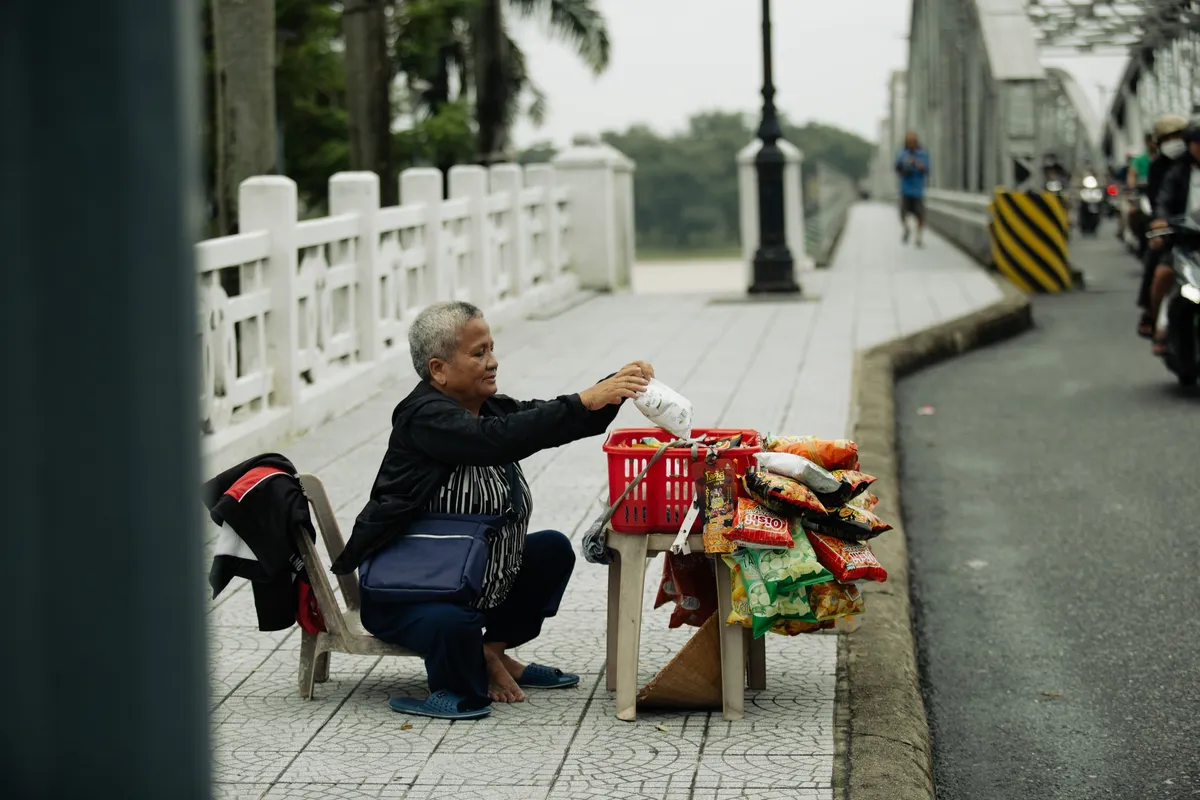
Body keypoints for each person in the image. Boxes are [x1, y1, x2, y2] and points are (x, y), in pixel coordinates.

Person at [332, 300, 653, 720]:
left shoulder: (490, 408)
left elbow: (546, 420)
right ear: (438, 370)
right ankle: (460, 685)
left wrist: (613, 390)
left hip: (474, 581)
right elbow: (493, 440)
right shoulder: (424, 417)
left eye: (491, 349)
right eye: (478, 353)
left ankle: (490, 650)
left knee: (552, 550)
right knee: (454, 625)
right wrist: (583, 399)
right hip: (412, 591)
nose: (493, 362)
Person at [1146, 118, 1200, 354]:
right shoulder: (1177, 173)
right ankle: (1158, 323)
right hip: (1185, 241)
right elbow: (1163, 200)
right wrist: (1160, 221)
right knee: (1163, 273)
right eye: (1197, 142)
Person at [1137, 114, 1188, 338]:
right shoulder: (1159, 168)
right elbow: (1160, 199)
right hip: (1173, 228)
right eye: (1169, 137)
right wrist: (1160, 221)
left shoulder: (1190, 165)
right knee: (1156, 261)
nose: (1175, 141)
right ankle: (1150, 312)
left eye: (1179, 135)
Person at [895, 131, 930, 246]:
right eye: (909, 142)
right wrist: (904, 168)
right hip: (905, 189)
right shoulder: (902, 154)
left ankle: (919, 237)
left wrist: (915, 163)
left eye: (913, 142)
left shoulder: (923, 154)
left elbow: (926, 170)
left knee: (920, 214)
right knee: (902, 213)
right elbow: (897, 168)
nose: (911, 145)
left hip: (918, 190)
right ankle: (906, 229)